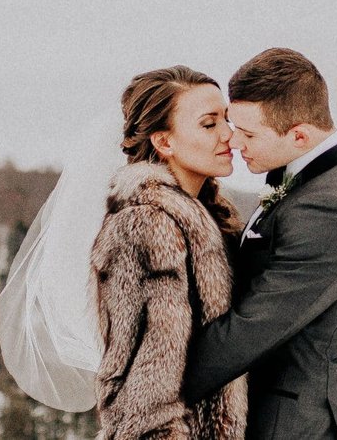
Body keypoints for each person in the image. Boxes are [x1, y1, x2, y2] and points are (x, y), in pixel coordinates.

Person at [181, 48, 337, 440]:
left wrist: (147, 387)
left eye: (248, 133)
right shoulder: (306, 180)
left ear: (300, 135)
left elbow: (248, 330)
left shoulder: (332, 209)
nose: (234, 141)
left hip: (294, 427)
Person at [90, 65, 249, 440]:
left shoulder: (201, 215)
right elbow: (143, 402)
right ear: (164, 142)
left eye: (226, 119)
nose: (229, 134)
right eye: (209, 124)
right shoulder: (147, 226)